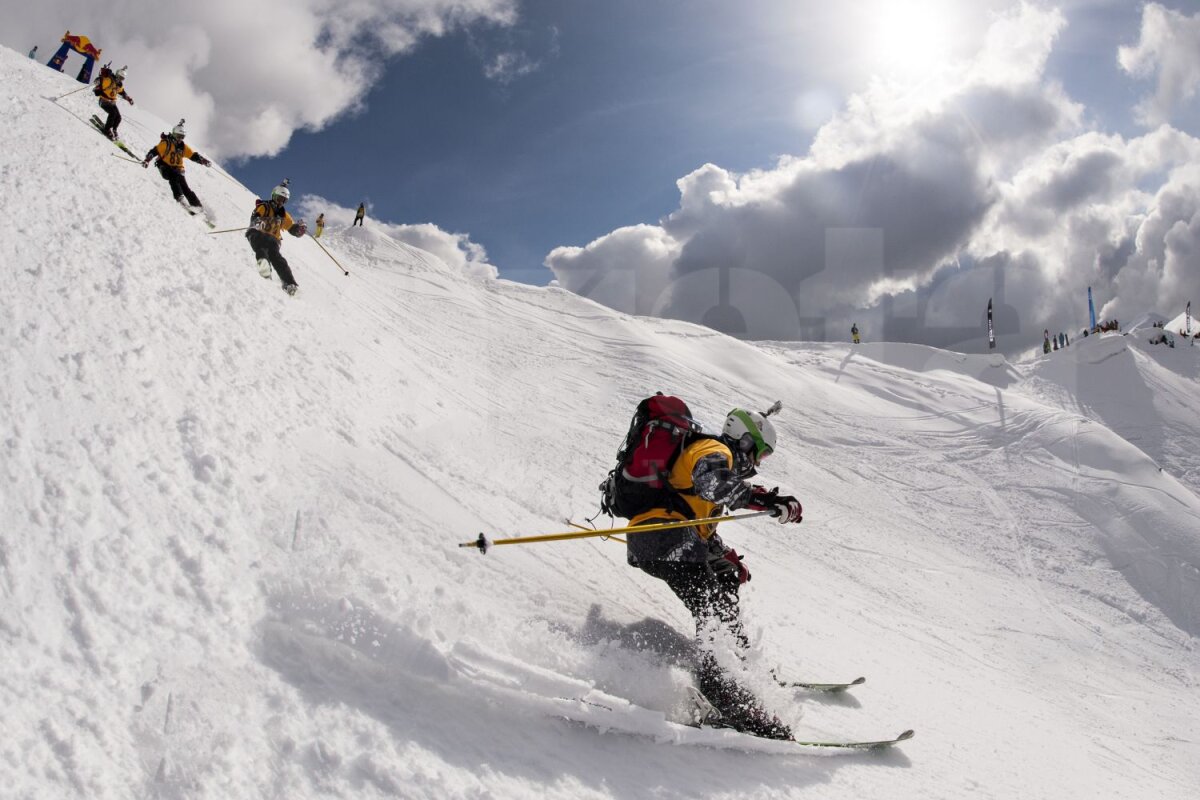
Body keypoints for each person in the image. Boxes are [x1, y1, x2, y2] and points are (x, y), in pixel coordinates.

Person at [625, 404, 803, 740]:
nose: (758, 463)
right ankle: (727, 701)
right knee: (711, 608)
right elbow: (713, 486)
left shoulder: (714, 455)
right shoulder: (714, 450)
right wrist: (766, 503)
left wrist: (725, 557)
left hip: (671, 538)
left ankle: (737, 658)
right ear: (746, 441)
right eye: (761, 454)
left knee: (721, 584)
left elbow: (699, 517)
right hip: (662, 537)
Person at [245, 181, 307, 296]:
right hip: (257, 234)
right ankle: (264, 269)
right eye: (278, 199)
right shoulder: (265, 206)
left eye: (283, 201)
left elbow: (291, 228)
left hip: (273, 239)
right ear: (273, 196)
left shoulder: (284, 215)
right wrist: (258, 222)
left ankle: (289, 284)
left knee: (279, 259)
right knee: (261, 249)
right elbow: (256, 216)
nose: (280, 202)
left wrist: (299, 230)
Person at [141, 120, 211, 213]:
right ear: (174, 134)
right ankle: (179, 198)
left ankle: (198, 206)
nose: (180, 139)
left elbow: (192, 155)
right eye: (178, 136)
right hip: (165, 167)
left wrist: (203, 161)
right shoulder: (166, 143)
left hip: (178, 169)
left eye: (182, 137)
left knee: (185, 188)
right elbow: (154, 151)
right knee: (173, 177)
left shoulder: (183, 147)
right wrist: (147, 160)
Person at [93, 65, 134, 141]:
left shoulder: (119, 85)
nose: (121, 80)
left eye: (122, 79)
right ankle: (107, 129)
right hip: (104, 101)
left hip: (112, 103)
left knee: (118, 117)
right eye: (120, 77)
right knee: (113, 114)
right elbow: (99, 81)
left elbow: (122, 92)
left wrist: (129, 99)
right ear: (117, 75)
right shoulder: (109, 80)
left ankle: (114, 130)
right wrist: (100, 79)